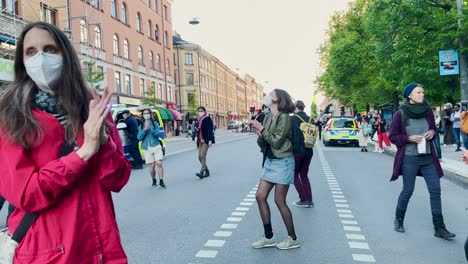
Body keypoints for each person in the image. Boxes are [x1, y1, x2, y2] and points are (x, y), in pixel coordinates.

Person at [0, 22, 131, 263]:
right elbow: (27, 194)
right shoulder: (11, 117)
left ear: (65, 55)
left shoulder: (92, 108)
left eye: (50, 49)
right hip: (46, 255)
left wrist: (103, 143)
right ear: (22, 62)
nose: (41, 59)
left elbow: (118, 180)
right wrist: (82, 154)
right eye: (31, 52)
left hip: (101, 250)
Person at [389, 83, 455, 239]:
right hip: (409, 159)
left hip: (428, 158)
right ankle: (398, 220)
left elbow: (433, 128)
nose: (422, 94)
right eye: (418, 92)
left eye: (423, 92)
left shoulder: (427, 112)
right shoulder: (401, 114)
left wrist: (432, 132)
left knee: (435, 190)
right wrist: (408, 138)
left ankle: (439, 228)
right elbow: (393, 136)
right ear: (409, 95)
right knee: (408, 190)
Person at [251, 89, 300, 250]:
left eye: (272, 94)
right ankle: (269, 237)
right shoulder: (267, 117)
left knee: (279, 201)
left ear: (279, 99)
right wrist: (259, 133)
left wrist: (262, 130)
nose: (268, 95)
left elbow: (277, 142)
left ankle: (292, 238)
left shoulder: (284, 118)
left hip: (283, 161)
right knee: (260, 196)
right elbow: (264, 143)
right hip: (270, 162)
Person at [291, 100, 314, 208]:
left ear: (296, 107)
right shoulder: (310, 118)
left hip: (297, 151)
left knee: (294, 175)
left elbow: (290, 135)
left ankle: (303, 199)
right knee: (304, 175)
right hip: (309, 150)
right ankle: (309, 200)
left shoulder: (293, 119)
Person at [138, 108, 166, 188]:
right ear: (143, 115)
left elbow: (157, 134)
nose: (146, 114)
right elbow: (139, 137)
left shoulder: (155, 124)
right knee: (152, 166)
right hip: (147, 147)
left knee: (159, 163)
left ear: (150, 114)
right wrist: (144, 130)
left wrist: (151, 129)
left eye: (147, 113)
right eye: (144, 113)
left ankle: (161, 181)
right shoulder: (141, 126)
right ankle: (154, 179)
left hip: (156, 145)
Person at [195, 107, 215, 179]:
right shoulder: (199, 120)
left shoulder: (207, 119)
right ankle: (207, 170)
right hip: (200, 141)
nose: (200, 112)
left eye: (201, 111)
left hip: (206, 140)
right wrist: (197, 143)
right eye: (199, 111)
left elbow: (210, 129)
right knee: (199, 157)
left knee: (203, 155)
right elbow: (198, 132)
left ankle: (202, 172)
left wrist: (210, 140)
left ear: (204, 111)